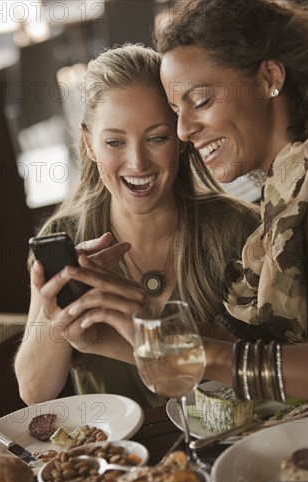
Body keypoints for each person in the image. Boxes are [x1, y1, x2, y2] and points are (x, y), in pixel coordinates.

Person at [63, 0, 308, 402]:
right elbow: (254, 344)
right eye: (176, 111)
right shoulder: (283, 194)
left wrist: (170, 341)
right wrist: (110, 333)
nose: (184, 131)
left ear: (268, 79)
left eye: (200, 101)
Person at [14, 44, 259, 408]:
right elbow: (34, 391)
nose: (137, 162)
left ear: (180, 138)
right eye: (114, 142)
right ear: (89, 145)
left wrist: (129, 334)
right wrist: (57, 320)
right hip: (116, 460)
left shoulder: (240, 230)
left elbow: (262, 368)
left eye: (156, 137)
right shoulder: (63, 238)